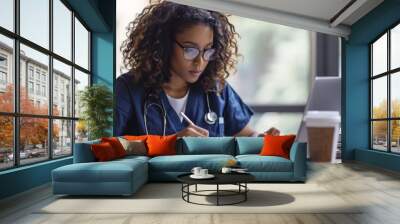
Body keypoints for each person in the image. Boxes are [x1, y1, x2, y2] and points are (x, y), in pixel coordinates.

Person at [116, 1, 280, 137]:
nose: (200, 61)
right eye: (190, 49)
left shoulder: (216, 89)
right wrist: (170, 143)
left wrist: (262, 138)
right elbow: (105, 145)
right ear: (163, 45)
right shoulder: (128, 89)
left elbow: (242, 133)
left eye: (208, 50)